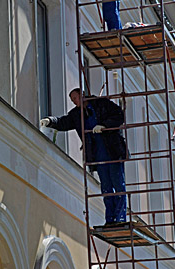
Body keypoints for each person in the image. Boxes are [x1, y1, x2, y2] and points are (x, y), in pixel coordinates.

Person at [40, 87, 127, 226]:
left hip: (113, 151)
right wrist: (50, 121)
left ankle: (121, 218)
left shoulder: (101, 104)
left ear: (83, 94)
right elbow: (64, 122)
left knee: (118, 185)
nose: (75, 101)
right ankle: (110, 220)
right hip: (98, 156)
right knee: (106, 188)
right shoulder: (76, 114)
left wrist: (104, 125)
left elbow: (119, 116)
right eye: (72, 100)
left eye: (75, 98)